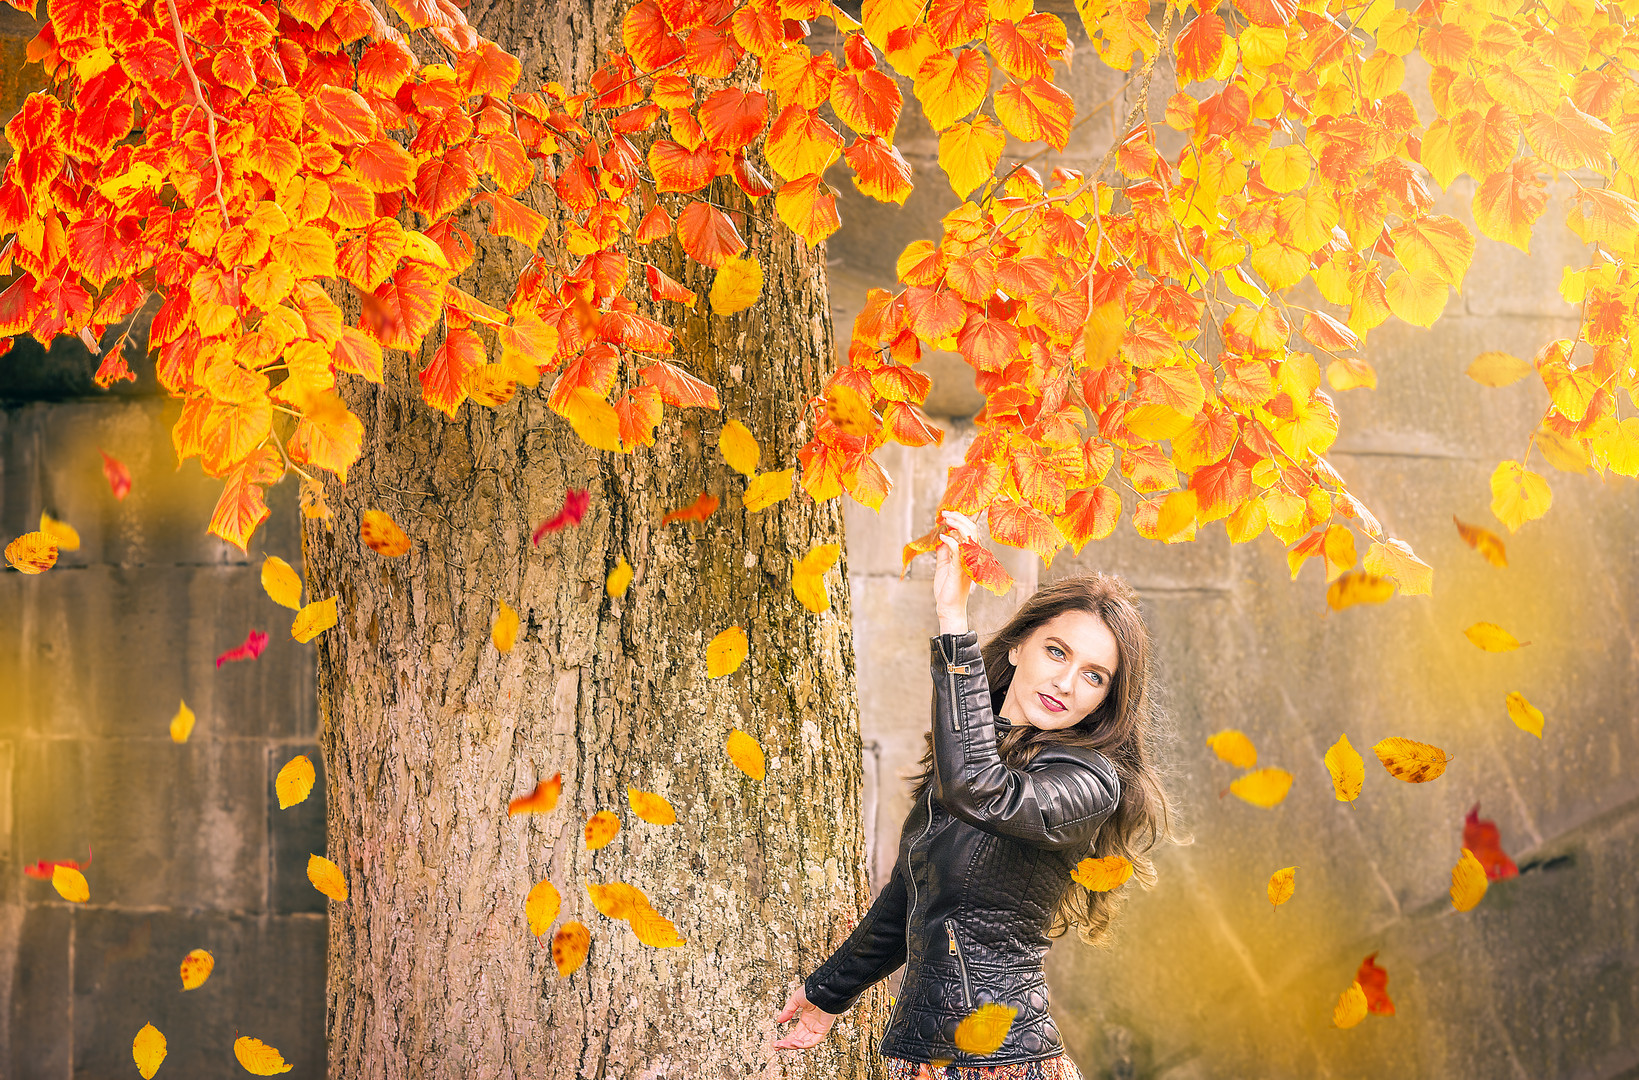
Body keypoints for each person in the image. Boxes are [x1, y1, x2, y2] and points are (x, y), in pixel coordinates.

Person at [772, 508, 1185, 1078]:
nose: (1066, 682)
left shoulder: (1090, 783)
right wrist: (826, 998)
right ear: (1018, 647)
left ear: (1105, 701)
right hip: (923, 1058)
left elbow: (984, 793)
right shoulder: (967, 759)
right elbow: (906, 902)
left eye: (1094, 676)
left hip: (1004, 1060)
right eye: (1057, 651)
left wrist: (951, 618)